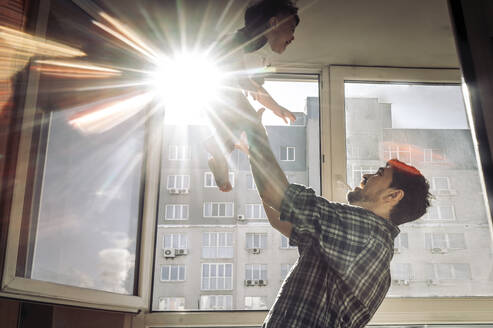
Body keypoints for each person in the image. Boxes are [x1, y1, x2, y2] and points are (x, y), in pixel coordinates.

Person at [243, 109, 432, 327]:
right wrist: (253, 153)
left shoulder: (363, 230)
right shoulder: (373, 248)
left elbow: (275, 195)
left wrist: (254, 131)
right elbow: (279, 218)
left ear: (393, 195)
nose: (366, 176)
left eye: (379, 174)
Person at [204, 0, 299, 192]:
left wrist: (277, 107)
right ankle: (274, 187)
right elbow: (242, 76)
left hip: (222, 91)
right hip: (211, 83)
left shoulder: (259, 50)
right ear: (273, 23)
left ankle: (219, 154)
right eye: (290, 28)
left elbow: (255, 89)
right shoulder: (243, 39)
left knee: (244, 122)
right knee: (252, 125)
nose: (293, 37)